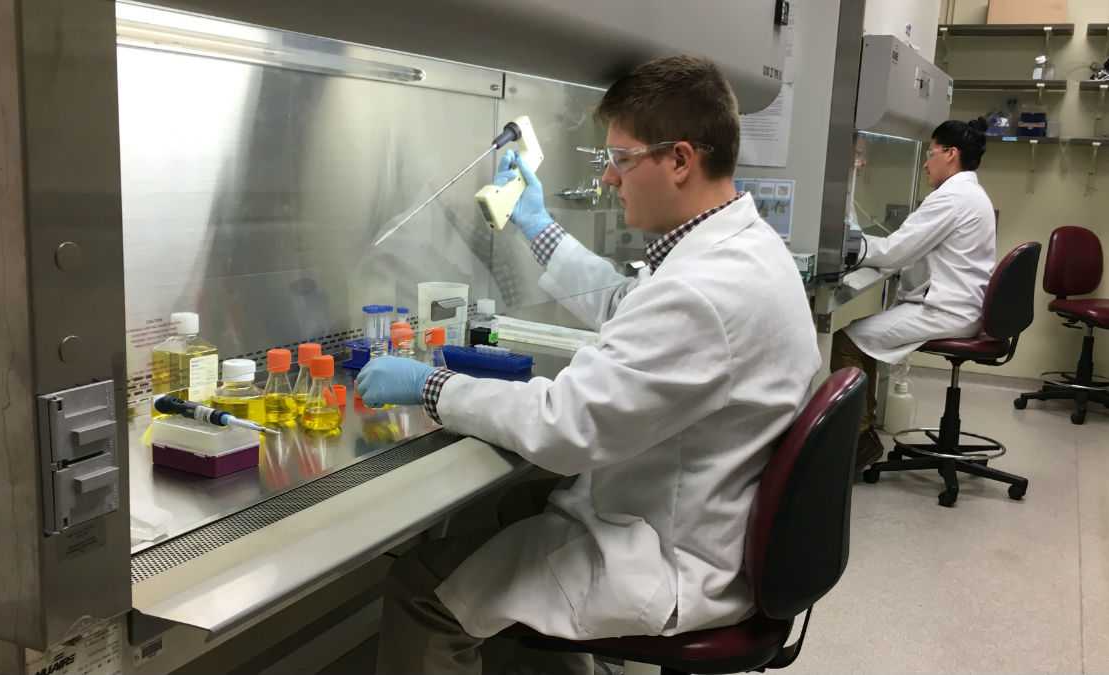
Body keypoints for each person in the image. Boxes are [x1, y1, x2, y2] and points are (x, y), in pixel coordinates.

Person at [356, 55, 821, 674]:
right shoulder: (742, 248)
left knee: (422, 596)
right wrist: (539, 227)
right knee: (499, 513)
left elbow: (562, 429)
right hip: (698, 513)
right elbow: (630, 304)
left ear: (680, 160)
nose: (608, 178)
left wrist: (431, 384)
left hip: (674, 555)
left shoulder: (705, 290)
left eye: (622, 159)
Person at [832, 117, 996, 469]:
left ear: (951, 154)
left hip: (947, 311)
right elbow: (911, 249)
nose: (925, 162)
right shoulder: (972, 194)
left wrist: (851, 248)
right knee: (866, 337)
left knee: (849, 340)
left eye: (931, 152)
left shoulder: (951, 198)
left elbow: (896, 250)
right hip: (961, 306)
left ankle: (857, 442)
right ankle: (863, 429)